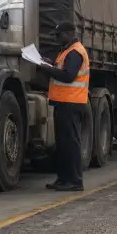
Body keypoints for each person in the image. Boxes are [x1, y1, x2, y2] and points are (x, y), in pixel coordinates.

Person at [37, 21, 90, 192]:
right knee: (62, 143)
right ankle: (63, 179)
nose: (56, 38)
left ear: (68, 33)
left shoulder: (75, 52)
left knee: (70, 143)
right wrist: (50, 64)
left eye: (58, 35)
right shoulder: (67, 50)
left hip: (72, 103)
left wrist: (46, 69)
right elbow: (62, 69)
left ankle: (75, 181)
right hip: (64, 102)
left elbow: (68, 76)